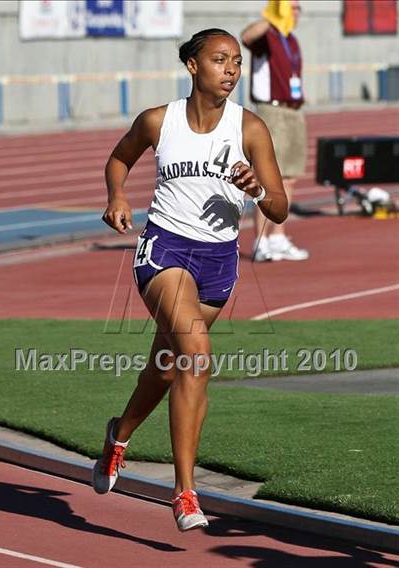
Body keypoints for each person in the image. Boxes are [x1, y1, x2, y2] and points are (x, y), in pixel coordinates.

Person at [93, 28, 288, 532]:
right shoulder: (160, 120)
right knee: (196, 359)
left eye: (237, 62)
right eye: (220, 60)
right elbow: (119, 158)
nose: (231, 70)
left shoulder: (250, 129)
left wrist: (258, 186)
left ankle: (118, 436)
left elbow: (280, 209)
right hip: (166, 250)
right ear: (193, 66)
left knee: (166, 366)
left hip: (219, 262)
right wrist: (117, 197)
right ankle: (184, 492)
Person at [241, 0, 309, 262]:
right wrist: (271, 17)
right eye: (291, 8)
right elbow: (246, 36)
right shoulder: (267, 37)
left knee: (290, 177)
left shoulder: (291, 39)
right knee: (271, 177)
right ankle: (260, 240)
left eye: (297, 8)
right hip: (273, 111)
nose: (296, 13)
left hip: (293, 110)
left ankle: (279, 235)